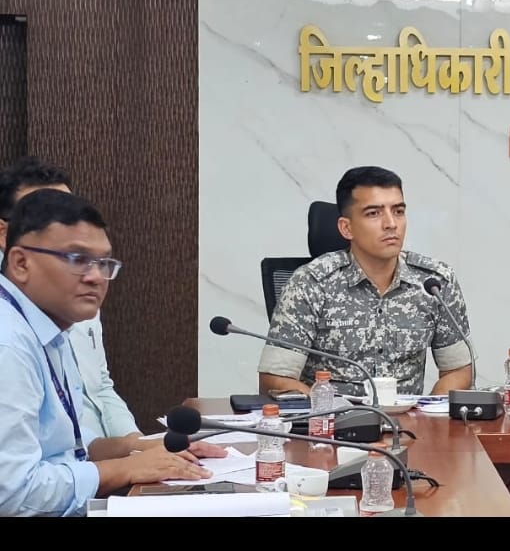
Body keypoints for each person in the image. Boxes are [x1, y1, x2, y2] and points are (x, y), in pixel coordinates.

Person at [0, 189, 212, 516]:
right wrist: (124, 469)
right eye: (77, 259)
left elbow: (64, 447)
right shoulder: (9, 343)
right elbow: (13, 492)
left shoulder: (50, 326)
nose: (96, 277)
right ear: (21, 263)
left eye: (103, 263)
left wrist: (137, 447)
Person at [258, 166, 473, 398]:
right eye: (373, 213)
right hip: (332, 418)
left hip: (408, 419)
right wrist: (331, 410)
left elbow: (459, 370)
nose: (391, 223)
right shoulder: (311, 283)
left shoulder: (435, 283)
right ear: (346, 228)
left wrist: (427, 412)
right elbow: (275, 379)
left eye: (398, 211)